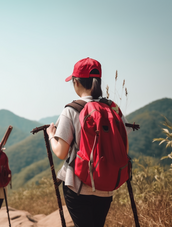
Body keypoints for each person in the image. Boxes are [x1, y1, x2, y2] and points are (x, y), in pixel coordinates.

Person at [46, 57, 129, 227]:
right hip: (106, 186)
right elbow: (124, 147)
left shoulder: (71, 110)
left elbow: (61, 152)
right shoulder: (112, 108)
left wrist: (51, 136)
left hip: (77, 185)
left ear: (76, 82)